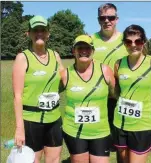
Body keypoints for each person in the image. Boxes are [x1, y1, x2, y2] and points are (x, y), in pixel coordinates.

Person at [12, 15, 64, 163]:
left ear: (48, 33)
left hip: (54, 118)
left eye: (43, 30)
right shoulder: (23, 58)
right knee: (33, 160)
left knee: (54, 159)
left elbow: (65, 81)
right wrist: (19, 128)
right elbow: (17, 96)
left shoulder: (55, 56)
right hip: (31, 120)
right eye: (35, 30)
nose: (39, 33)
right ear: (28, 34)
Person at [61, 35, 115, 163]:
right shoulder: (65, 74)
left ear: (93, 51)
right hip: (74, 131)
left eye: (87, 48)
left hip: (100, 131)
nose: (84, 51)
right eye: (79, 48)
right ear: (73, 51)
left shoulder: (105, 70)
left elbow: (116, 94)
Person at [113, 24, 151, 163]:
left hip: (143, 124)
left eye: (138, 41)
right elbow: (117, 91)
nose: (133, 45)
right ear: (124, 44)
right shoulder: (118, 64)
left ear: (144, 42)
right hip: (120, 122)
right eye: (128, 42)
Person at [91, 4, 128, 160]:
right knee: (97, 143)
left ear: (117, 19)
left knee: (123, 146)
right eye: (102, 18)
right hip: (97, 100)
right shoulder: (91, 40)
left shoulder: (127, 40)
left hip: (122, 99)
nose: (107, 21)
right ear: (98, 19)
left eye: (111, 17)